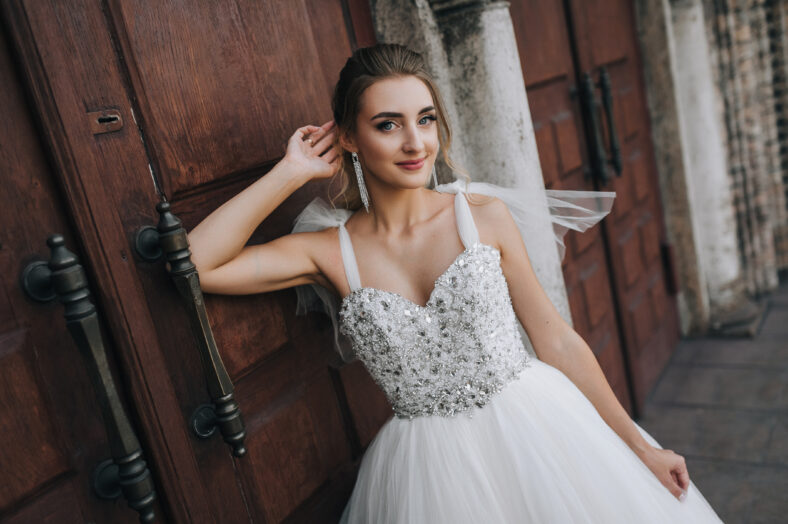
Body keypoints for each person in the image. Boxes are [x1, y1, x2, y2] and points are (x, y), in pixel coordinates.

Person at [187, 43, 724, 523]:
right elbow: (200, 264)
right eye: (388, 124)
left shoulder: (481, 216)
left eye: (425, 119)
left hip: (542, 436)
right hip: (427, 475)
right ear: (349, 136)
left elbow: (555, 339)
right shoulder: (330, 251)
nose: (415, 142)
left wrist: (638, 446)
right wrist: (292, 171)